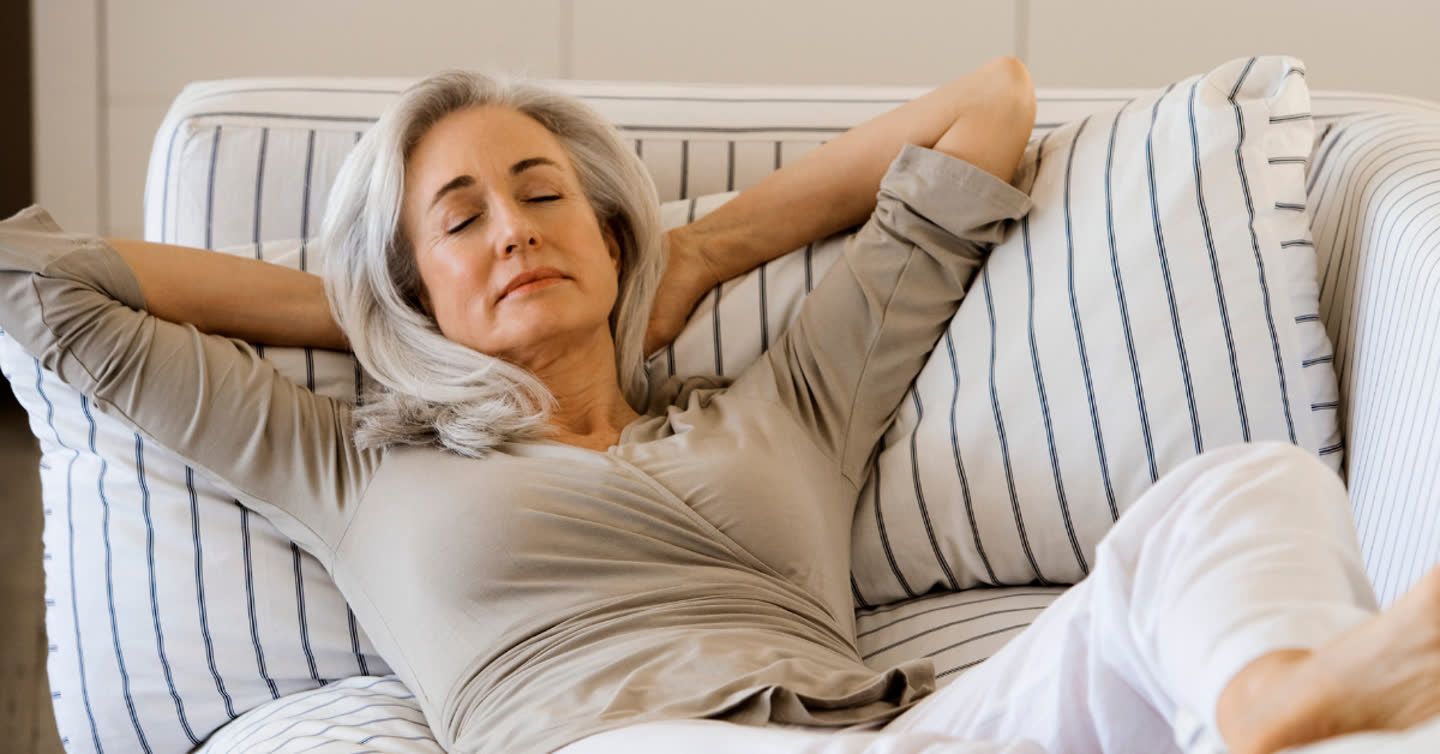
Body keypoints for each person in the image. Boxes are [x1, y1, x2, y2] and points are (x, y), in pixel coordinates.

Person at [1, 57, 1437, 754]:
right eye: (463, 218)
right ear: (407, 279)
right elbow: (36, 276)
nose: (515, 229)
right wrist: (380, 317)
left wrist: (702, 251)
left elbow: (990, 110)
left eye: (544, 196)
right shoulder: (352, 466)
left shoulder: (786, 406)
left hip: (896, 737)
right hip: (616, 748)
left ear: (609, 228)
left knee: (1242, 484)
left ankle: (1270, 702)